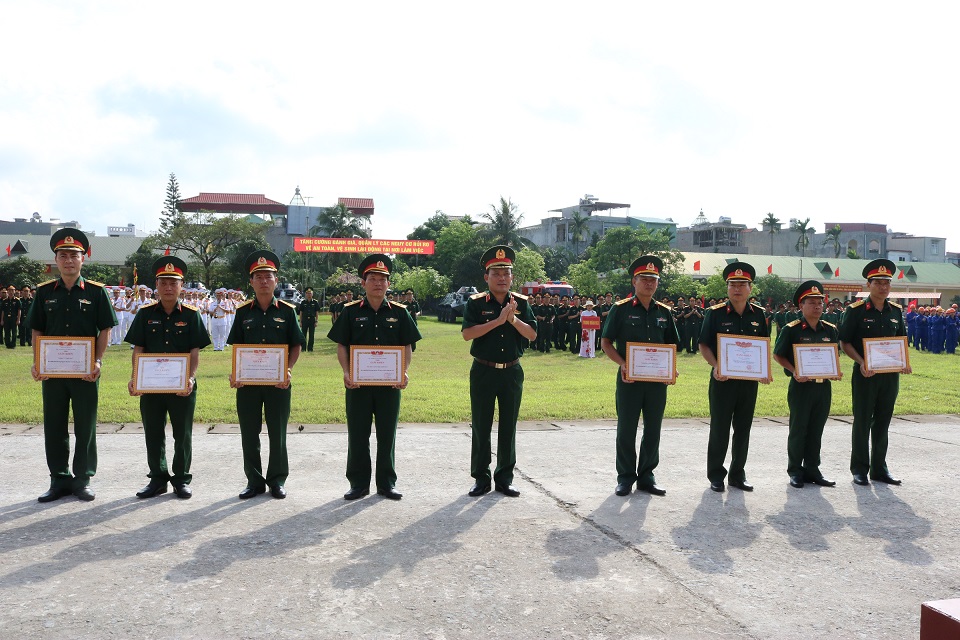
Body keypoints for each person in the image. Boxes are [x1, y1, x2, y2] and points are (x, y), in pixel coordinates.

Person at [29, 228, 117, 502]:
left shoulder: (96, 292)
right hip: (53, 373)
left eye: (74, 255)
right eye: (63, 256)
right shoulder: (44, 292)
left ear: (83, 259)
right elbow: (37, 330)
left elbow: (105, 329)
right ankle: (59, 479)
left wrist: (98, 360)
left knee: (85, 426)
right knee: (54, 425)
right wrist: (37, 362)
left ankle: (82, 479)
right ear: (56, 260)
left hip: (85, 372)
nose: (68, 260)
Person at [328, 255, 421, 500]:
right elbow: (342, 345)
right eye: (373, 279)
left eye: (382, 279)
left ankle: (387, 483)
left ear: (388, 284)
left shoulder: (400, 312)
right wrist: (346, 372)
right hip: (357, 385)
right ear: (363, 283)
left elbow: (407, 346)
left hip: (389, 385)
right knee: (358, 434)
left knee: (387, 434)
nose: (378, 283)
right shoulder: (350, 312)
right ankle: (358, 484)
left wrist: (403, 371)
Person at [125, 257, 211, 499]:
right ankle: (158, 478)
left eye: (174, 283)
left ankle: (181, 479)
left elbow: (194, 351)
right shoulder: (145, 314)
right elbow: (138, 348)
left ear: (182, 285)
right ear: (156, 285)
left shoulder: (192, 315)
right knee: (153, 432)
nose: (168, 287)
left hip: (181, 385)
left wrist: (190, 378)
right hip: (151, 386)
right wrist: (135, 378)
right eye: (163, 282)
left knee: (182, 434)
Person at [227, 250, 305, 500]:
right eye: (258, 277)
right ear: (251, 282)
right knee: (249, 433)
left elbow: (296, 345)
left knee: (277, 432)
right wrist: (235, 373)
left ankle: (277, 480)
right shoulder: (242, 312)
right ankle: (254, 481)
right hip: (248, 384)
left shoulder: (287, 311)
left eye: (268, 276)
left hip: (278, 383)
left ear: (276, 280)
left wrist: (288, 369)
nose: (263, 281)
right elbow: (237, 346)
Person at [601, 256, 681, 497]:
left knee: (653, 429)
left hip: (656, 382)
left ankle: (647, 477)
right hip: (630, 380)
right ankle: (625, 477)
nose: (649, 283)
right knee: (626, 429)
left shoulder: (664, 312)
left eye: (653, 279)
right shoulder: (620, 309)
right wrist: (623, 364)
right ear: (634, 281)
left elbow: (672, 345)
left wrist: (672, 368)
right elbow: (606, 342)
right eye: (644, 279)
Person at [461, 245, 537, 497]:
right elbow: (467, 334)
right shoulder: (476, 303)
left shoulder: (521, 303)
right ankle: (481, 478)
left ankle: (505, 478)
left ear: (512, 277)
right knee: (481, 425)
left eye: (506, 273)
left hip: (511, 372)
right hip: (483, 370)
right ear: (487, 277)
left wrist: (512, 319)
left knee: (508, 426)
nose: (502, 278)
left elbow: (532, 334)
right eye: (496, 273)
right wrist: (498, 320)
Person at [698, 261, 772, 492]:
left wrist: (764, 371)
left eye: (742, 284)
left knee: (743, 428)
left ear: (750, 288)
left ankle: (738, 474)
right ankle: (716, 475)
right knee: (719, 428)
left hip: (748, 383)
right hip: (723, 382)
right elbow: (703, 344)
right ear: (727, 288)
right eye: (733, 284)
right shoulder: (715, 314)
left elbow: (763, 345)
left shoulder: (759, 315)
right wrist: (716, 366)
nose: (737, 289)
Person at [839, 259, 910, 486]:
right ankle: (859, 469)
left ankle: (880, 468)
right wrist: (861, 362)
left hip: (890, 376)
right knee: (862, 421)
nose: (883, 287)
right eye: (878, 282)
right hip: (865, 375)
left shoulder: (895, 311)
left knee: (883, 421)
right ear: (868, 285)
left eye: (886, 282)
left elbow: (901, 340)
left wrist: (904, 362)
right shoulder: (855, 311)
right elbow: (845, 342)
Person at [772, 281, 840, 489]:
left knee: (816, 429)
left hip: (823, 387)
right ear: (801, 306)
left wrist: (834, 371)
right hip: (801, 387)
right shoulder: (791, 329)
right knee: (799, 429)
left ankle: (812, 469)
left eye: (820, 303)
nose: (817, 306)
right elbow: (778, 355)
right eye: (812, 303)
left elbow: (833, 355)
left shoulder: (830, 329)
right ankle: (795, 470)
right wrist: (794, 371)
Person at [299, 287, 321, 352]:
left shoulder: (315, 302)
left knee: (311, 335)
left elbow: (316, 312)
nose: (309, 295)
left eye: (310, 293)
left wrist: (316, 321)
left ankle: (310, 348)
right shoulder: (303, 302)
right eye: (308, 293)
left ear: (312, 294)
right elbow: (301, 312)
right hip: (305, 320)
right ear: (306, 294)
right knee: (303, 335)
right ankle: (303, 348)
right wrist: (300, 321)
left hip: (312, 320)